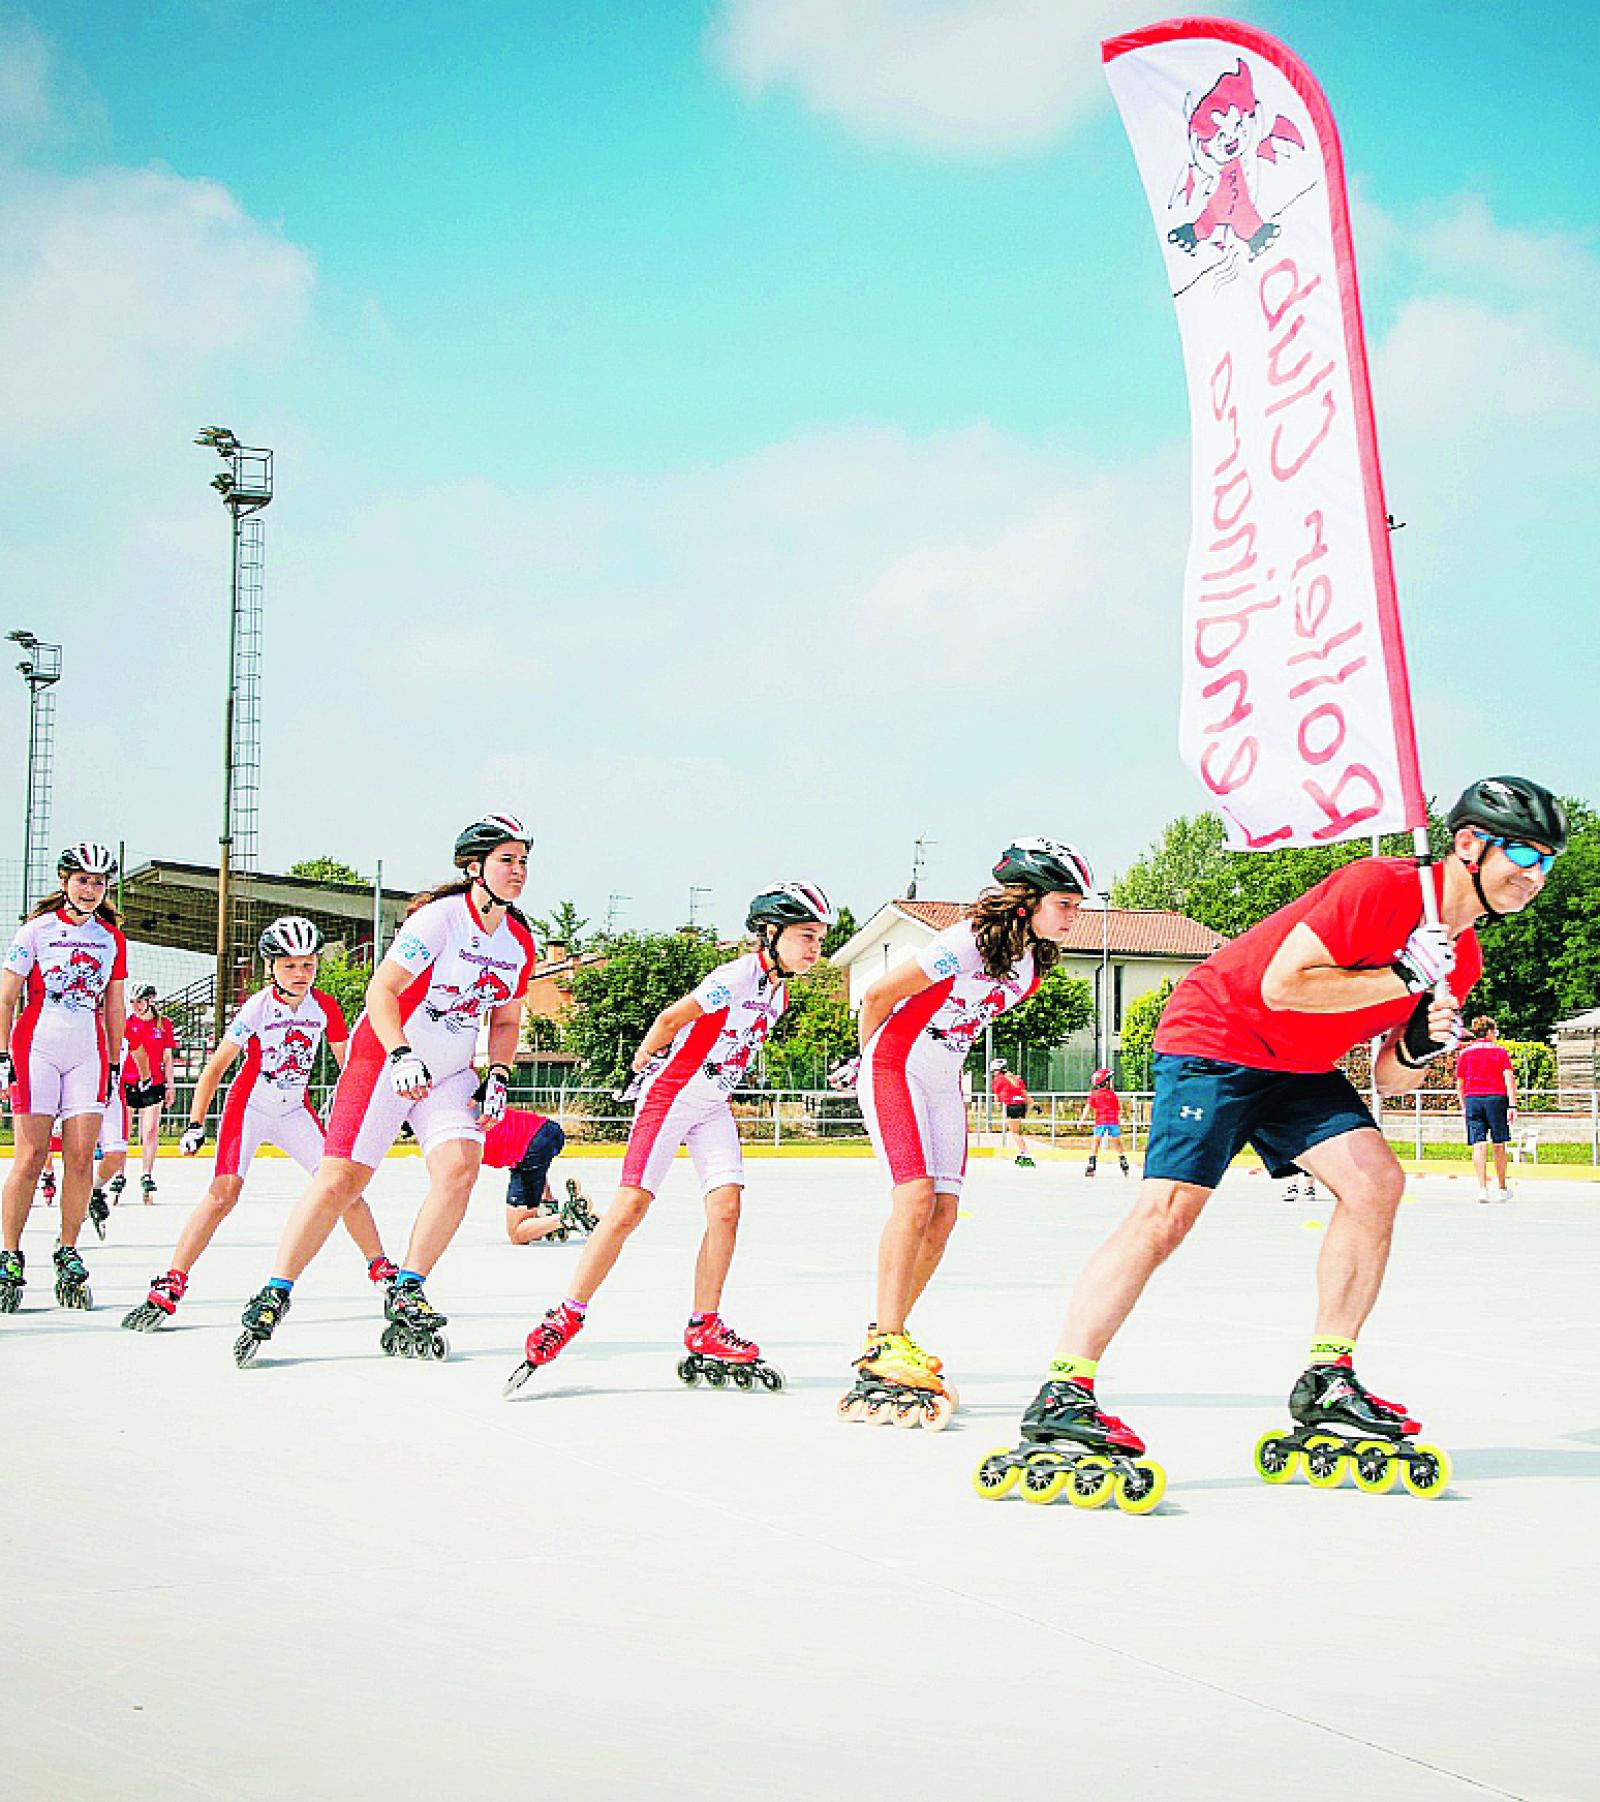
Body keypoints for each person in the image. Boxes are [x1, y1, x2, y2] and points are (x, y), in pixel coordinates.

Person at [996, 776, 1565, 1507]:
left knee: (1376, 1183)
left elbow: (1390, 1078)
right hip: (1218, 1035)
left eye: (1547, 860)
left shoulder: (1463, 957)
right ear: (1467, 844)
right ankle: (1062, 1390)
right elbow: (1284, 986)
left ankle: (1329, 1375)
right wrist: (1400, 973)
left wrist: (1423, 1039)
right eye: (1523, 853)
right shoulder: (1379, 889)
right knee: (1167, 1211)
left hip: (1298, 1064)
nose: (1536, 874)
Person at [505, 883, 835, 1396]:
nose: (815, 948)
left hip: (710, 1105)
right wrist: (643, 1058)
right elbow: (672, 1018)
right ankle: (566, 1315)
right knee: (630, 1207)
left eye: (820, 938)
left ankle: (705, 1324)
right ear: (771, 934)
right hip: (670, 1096)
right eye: (806, 936)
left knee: (726, 1210)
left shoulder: (780, 992)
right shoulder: (737, 976)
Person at [232, 815, 537, 1367]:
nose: (518, 871)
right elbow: (382, 991)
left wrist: (499, 1072)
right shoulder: (440, 921)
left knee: (460, 1169)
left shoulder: (518, 942)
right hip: (386, 1058)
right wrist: (399, 1053)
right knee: (343, 1179)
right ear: (475, 867)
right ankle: (275, 1291)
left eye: (523, 861)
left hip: (446, 1073)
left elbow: (507, 1020)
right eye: (507, 860)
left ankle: (408, 1288)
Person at [844, 839, 1095, 1429]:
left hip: (944, 1073)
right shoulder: (965, 941)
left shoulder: (1033, 966)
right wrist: (866, 1059)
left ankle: (890, 1331)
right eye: (1064, 903)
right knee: (914, 1196)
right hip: (896, 1063)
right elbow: (880, 994)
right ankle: (885, 1341)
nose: (1071, 915)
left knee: (945, 1210)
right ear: (1027, 901)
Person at [122, 916, 396, 1331]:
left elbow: (348, 1065)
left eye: (308, 964)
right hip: (250, 1106)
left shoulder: (325, 1007)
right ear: (271, 967)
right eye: (290, 965)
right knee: (224, 1194)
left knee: (342, 1186)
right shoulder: (257, 1007)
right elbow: (215, 1068)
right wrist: (196, 1123)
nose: (301, 974)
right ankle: (172, 1280)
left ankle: (384, 1272)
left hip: (293, 1110)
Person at [0, 843, 128, 1314]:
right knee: (31, 1156)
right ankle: (10, 1255)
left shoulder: (111, 937)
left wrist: (114, 1062)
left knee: (79, 1159)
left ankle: (67, 1249)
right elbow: (6, 996)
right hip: (36, 1047)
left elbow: (114, 1004)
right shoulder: (35, 931)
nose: (92, 890)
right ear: (64, 881)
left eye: (99, 882)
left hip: (88, 1052)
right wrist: (0, 1055)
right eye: (83, 880)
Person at [487, 1105, 593, 1243]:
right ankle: (548, 1207)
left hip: (529, 1148)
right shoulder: (466, 1109)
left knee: (518, 1233)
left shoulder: (458, 1136)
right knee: (534, 1231)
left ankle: (568, 1217)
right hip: (545, 1130)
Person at [123, 983, 176, 1200]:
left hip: (154, 1083)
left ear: (150, 1001)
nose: (135, 1006)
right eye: (132, 1002)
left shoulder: (163, 1025)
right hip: (128, 1081)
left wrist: (170, 1085)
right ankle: (119, 1173)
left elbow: (168, 1057)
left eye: (139, 1001)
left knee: (150, 1129)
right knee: (124, 1131)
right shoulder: (127, 1023)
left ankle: (146, 1173)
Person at [1456, 1015, 1517, 1204]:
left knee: (1478, 1143)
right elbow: (1509, 1078)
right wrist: (1512, 1104)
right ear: (1490, 1031)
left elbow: (1460, 1083)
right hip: (1496, 1098)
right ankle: (1501, 1187)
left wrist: (1463, 1105)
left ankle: (1482, 1188)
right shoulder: (1500, 1052)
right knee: (1499, 1143)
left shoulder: (1465, 1054)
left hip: (1473, 1098)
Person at [1079, 1066, 1130, 1178]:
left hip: (1101, 1121)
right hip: (1112, 1121)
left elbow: (1087, 1108)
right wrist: (1120, 1120)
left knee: (1096, 1141)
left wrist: (1082, 1120)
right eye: (1109, 1080)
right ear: (1104, 1082)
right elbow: (1118, 1109)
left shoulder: (1095, 1094)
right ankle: (1122, 1159)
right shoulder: (1111, 1094)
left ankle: (1092, 1162)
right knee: (1116, 1142)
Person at [989, 1057, 1034, 1166]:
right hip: (1021, 1105)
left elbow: (997, 1098)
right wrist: (1031, 1105)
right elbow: (1024, 1094)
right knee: (1016, 1131)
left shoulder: (998, 1079)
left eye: (993, 1071)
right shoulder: (1015, 1078)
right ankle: (1022, 1151)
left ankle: (1025, 1153)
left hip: (1012, 1106)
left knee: (1014, 1132)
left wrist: (997, 1105)